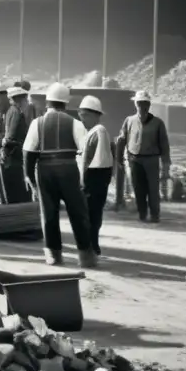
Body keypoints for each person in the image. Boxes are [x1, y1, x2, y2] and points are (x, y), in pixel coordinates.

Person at [23, 83, 95, 268]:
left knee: (49, 214)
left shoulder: (36, 123)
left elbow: (29, 152)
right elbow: (86, 151)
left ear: (47, 102)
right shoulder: (75, 123)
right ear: (66, 103)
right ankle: (85, 256)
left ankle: (54, 255)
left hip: (45, 170)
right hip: (68, 169)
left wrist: (29, 178)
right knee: (78, 213)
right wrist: (85, 177)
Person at [116, 90, 171, 222]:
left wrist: (165, 166)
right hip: (134, 159)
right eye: (139, 103)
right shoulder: (129, 121)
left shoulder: (158, 123)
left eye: (145, 103)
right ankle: (142, 214)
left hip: (151, 160)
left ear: (149, 105)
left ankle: (154, 215)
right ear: (135, 104)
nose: (142, 106)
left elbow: (164, 145)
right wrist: (119, 159)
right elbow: (122, 139)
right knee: (138, 188)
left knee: (153, 189)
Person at [77, 95, 114, 256]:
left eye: (85, 116)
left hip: (94, 179)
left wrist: (85, 182)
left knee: (92, 215)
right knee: (91, 215)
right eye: (81, 115)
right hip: (95, 179)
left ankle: (92, 245)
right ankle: (92, 244)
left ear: (95, 115)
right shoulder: (92, 132)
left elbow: (95, 160)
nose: (82, 119)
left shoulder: (98, 132)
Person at [0, 85, 32, 203]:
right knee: (18, 190)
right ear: (19, 99)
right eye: (25, 99)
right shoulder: (16, 112)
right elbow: (10, 137)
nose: (27, 102)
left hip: (12, 154)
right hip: (14, 155)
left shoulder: (12, 111)